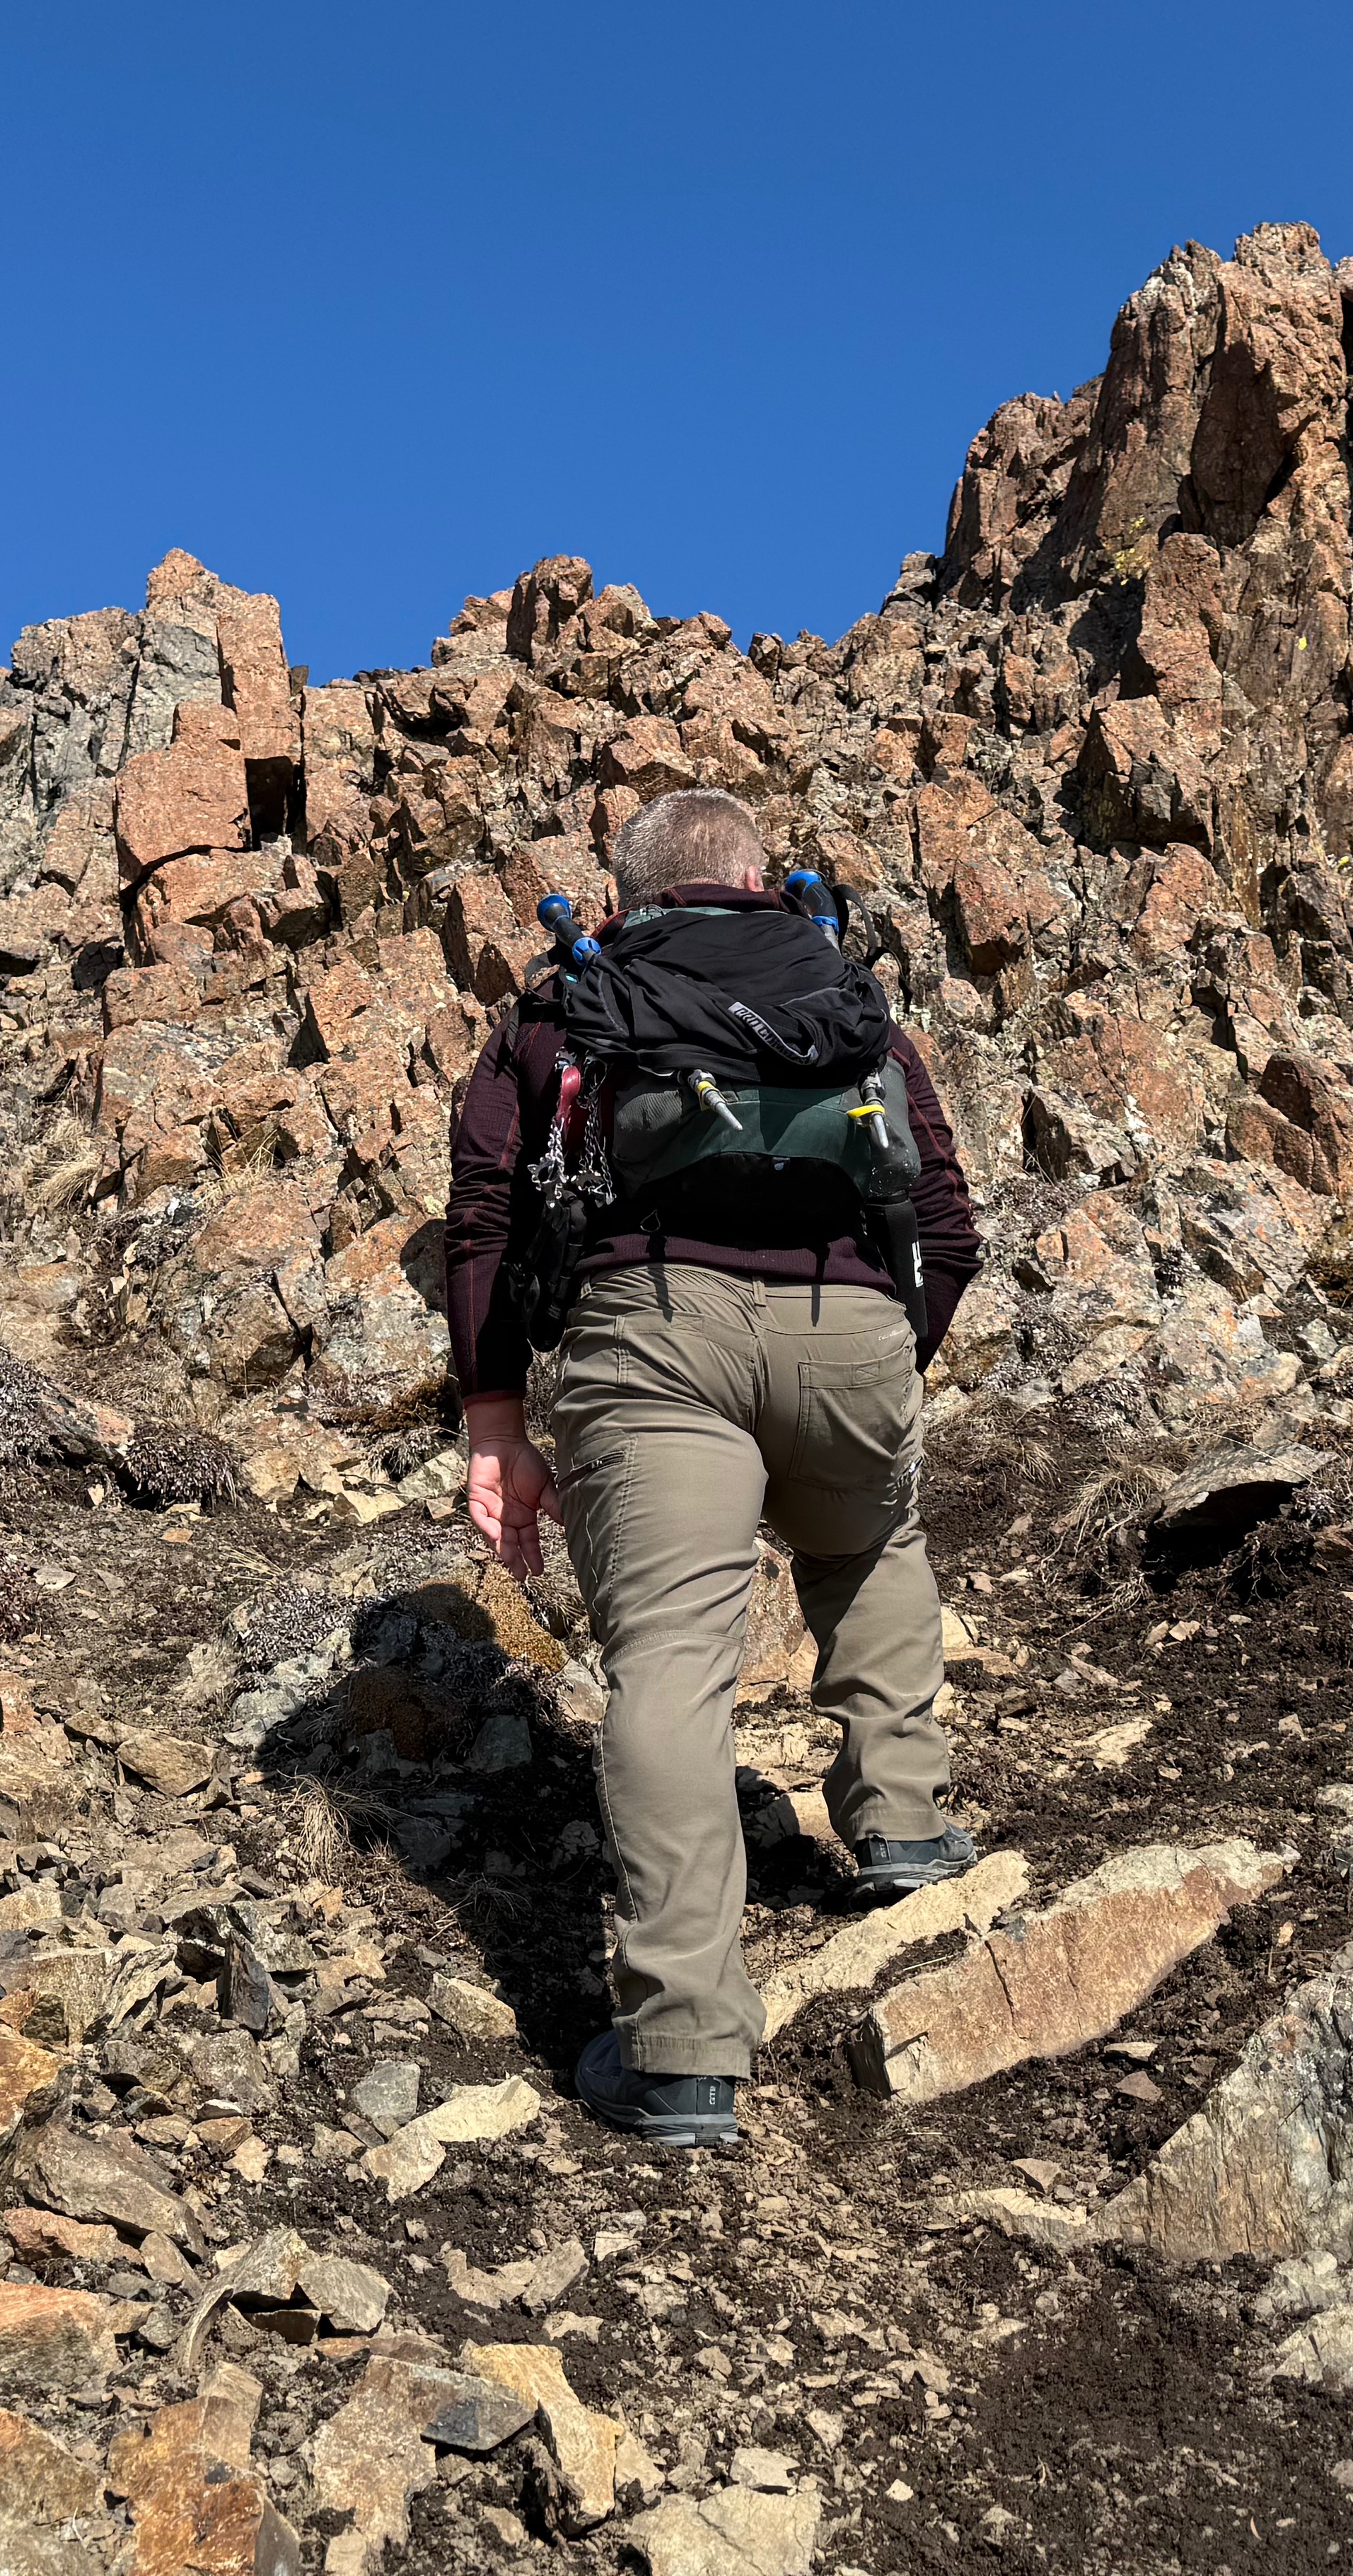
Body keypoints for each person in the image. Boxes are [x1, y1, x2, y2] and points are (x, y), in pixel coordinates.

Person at [443, 787, 985, 2149]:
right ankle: (906, 1829)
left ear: (626, 899)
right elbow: (948, 1217)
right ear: (760, 876)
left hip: (656, 1334)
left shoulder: (572, 1006)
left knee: (673, 1666)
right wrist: (877, 1351)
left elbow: (490, 1216)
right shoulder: (848, 995)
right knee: (869, 1548)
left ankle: (684, 2054)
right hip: (851, 1325)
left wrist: (497, 1418)